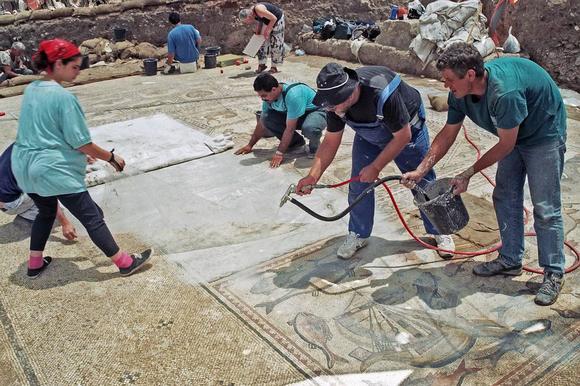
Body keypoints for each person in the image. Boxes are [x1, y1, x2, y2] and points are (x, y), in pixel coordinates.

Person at [401, 42, 567, 306]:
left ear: (470, 75)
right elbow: (448, 132)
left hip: (543, 133)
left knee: (545, 207)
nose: (445, 86)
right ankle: (511, 259)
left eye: (449, 80)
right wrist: (421, 169)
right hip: (512, 133)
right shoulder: (459, 94)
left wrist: (468, 172)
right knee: (504, 195)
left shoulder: (504, 93)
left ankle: (553, 272)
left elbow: (506, 145)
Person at [11, 39, 152, 279]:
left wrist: (76, 153)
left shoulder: (32, 89)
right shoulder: (64, 98)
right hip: (52, 170)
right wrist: (111, 157)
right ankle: (124, 262)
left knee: (46, 213)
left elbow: (46, 132)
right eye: (74, 67)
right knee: (92, 217)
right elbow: (81, 142)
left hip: (24, 167)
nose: (77, 72)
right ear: (57, 64)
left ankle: (35, 263)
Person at [295, 63, 455, 260]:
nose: (331, 109)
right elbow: (330, 140)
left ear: (351, 91)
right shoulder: (334, 103)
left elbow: (402, 137)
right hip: (370, 134)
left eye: (334, 104)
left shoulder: (382, 92)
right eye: (329, 105)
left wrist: (376, 166)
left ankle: (441, 230)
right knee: (359, 183)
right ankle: (358, 234)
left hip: (408, 132)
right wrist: (312, 175)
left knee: (422, 182)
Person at [235, 73, 326, 167]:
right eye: (260, 96)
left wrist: (279, 153)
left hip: (316, 111)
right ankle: (296, 144)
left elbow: (290, 129)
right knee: (266, 117)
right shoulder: (269, 98)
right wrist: (250, 145)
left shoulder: (293, 95)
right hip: (297, 113)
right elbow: (262, 122)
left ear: (274, 89)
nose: (262, 99)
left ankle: (315, 148)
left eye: (264, 95)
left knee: (310, 128)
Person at [0, 143, 77, 240]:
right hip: (11, 203)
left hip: (5, 200)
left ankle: (29, 210)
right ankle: (30, 212)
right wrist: (65, 223)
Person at [239, 2, 285, 74]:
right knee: (260, 42)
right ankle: (262, 65)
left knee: (276, 42)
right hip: (267, 21)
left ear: (250, 16)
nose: (247, 23)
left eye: (247, 21)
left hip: (277, 19)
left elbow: (274, 18)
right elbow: (260, 20)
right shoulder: (253, 13)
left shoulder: (259, 10)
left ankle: (274, 67)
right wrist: (258, 32)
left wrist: (268, 30)